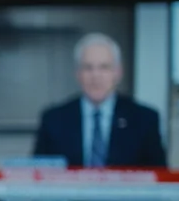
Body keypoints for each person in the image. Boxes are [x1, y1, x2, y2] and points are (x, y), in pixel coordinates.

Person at [33, 32, 167, 170]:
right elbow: (37, 177)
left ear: (118, 72)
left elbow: (159, 179)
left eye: (104, 67)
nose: (95, 76)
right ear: (78, 74)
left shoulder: (145, 119)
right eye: (88, 68)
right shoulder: (53, 120)